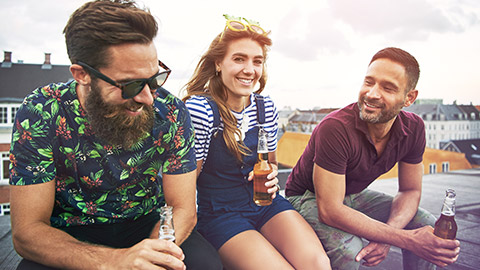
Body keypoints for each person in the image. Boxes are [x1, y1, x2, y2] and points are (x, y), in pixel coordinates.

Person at [8, 1, 222, 269]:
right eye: (131, 85)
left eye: (154, 80)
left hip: (148, 223)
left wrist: (154, 254)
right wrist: (115, 261)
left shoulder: (171, 112)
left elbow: (183, 209)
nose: (148, 98)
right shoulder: (41, 112)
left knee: (206, 265)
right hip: (70, 231)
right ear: (82, 74)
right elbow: (27, 233)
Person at [285, 47, 461, 269]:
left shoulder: (414, 128)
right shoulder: (335, 128)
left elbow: (410, 191)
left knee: (425, 223)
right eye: (369, 82)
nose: (372, 94)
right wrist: (402, 238)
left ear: (409, 97)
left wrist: (388, 234)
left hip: (352, 194)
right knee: (351, 249)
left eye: (387, 88)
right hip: (305, 198)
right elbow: (330, 210)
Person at [182, 15, 330, 269]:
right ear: (219, 63)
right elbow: (186, 181)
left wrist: (271, 175)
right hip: (220, 213)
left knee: (318, 263)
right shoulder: (202, 110)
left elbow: (270, 163)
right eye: (239, 59)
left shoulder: (265, 107)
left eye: (257, 61)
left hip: (265, 204)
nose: (249, 69)